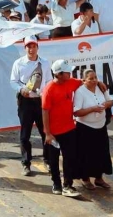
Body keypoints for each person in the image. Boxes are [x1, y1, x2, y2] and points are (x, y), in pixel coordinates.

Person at [41, 60, 84, 197]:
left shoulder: (71, 82)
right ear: (59, 74)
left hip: (69, 129)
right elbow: (45, 111)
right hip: (53, 133)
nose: (70, 73)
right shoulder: (49, 89)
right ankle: (56, 184)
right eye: (67, 72)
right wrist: (48, 133)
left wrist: (99, 83)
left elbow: (84, 81)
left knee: (69, 158)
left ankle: (68, 185)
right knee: (53, 160)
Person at [10, 35, 51, 176]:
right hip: (25, 102)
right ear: (25, 47)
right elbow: (13, 81)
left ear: (37, 47)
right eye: (29, 46)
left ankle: (48, 160)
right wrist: (21, 90)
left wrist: (43, 92)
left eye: (33, 46)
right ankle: (26, 163)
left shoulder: (45, 63)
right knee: (25, 135)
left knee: (45, 132)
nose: (31, 49)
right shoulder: (18, 63)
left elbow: (49, 81)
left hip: (40, 102)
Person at [74, 68, 113, 191]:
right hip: (86, 128)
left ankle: (99, 178)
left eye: (95, 78)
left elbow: (111, 101)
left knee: (101, 153)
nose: (94, 80)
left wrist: (105, 105)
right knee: (86, 154)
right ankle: (85, 179)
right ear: (84, 80)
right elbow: (77, 112)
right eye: (91, 79)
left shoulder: (101, 87)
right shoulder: (80, 92)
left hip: (101, 126)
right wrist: (93, 109)